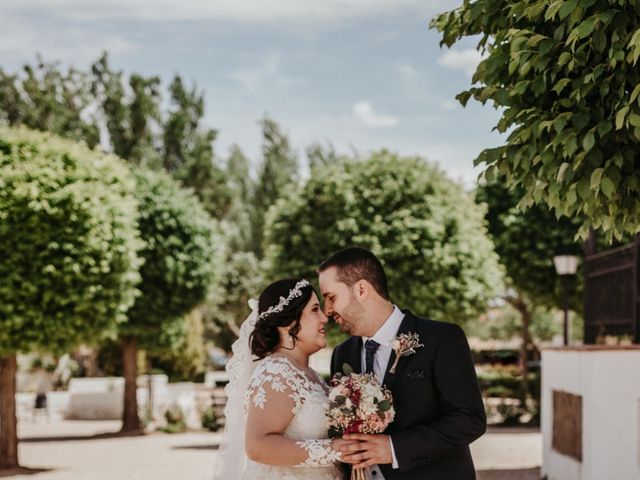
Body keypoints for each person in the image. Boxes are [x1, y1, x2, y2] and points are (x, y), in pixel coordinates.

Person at [319, 247, 486, 480]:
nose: (327, 311)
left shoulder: (441, 338)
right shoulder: (342, 354)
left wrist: (395, 448)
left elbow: (470, 419)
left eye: (331, 298)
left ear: (361, 289)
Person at [213, 278, 353, 480]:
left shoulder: (310, 375)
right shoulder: (276, 373)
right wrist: (334, 450)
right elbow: (258, 446)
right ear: (289, 321)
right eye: (315, 310)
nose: (324, 318)